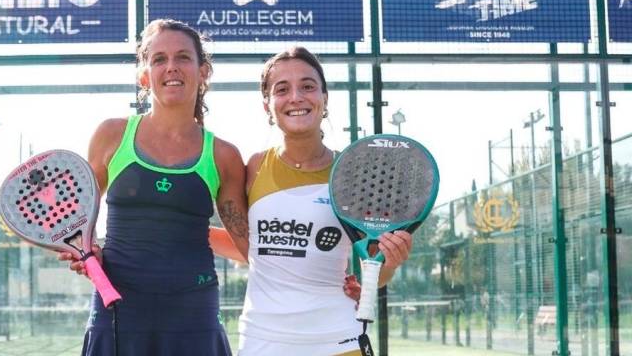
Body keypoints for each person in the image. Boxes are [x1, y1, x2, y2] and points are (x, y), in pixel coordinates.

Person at [59, 19, 249, 356]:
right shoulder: (111, 136)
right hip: (116, 308)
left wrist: (325, 270)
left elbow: (247, 247)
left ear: (203, 71)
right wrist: (87, 253)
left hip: (195, 312)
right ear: (144, 75)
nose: (171, 67)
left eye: (183, 58)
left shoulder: (224, 155)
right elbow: (70, 219)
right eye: (159, 59)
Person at [235, 46, 413, 355]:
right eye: (282, 89)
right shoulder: (254, 166)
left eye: (308, 86)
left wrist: (390, 264)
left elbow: (375, 271)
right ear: (267, 105)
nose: (296, 97)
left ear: (324, 98)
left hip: (339, 340)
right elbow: (251, 247)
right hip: (262, 341)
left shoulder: (356, 174)